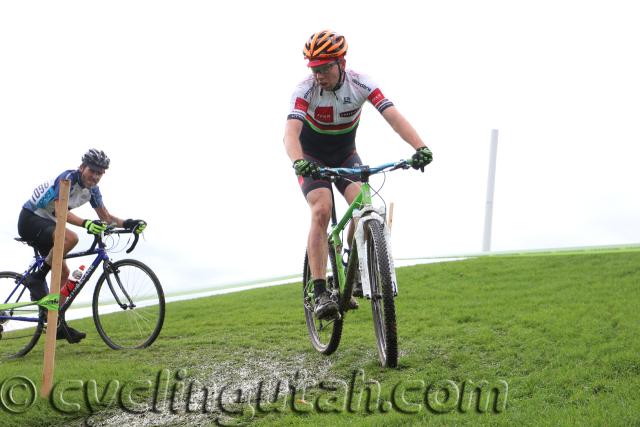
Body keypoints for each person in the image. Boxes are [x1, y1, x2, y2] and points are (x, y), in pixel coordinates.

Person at [284, 30, 433, 320]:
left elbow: (393, 116)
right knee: (322, 208)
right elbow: (290, 133)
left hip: (345, 156)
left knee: (366, 208)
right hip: (311, 159)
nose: (318, 75)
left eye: (325, 67)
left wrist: (420, 147)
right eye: (314, 69)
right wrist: (298, 161)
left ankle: (353, 268)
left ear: (342, 63)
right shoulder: (304, 91)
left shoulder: (361, 84)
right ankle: (319, 291)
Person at [17, 149, 147, 343]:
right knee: (71, 238)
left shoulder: (93, 190)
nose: (94, 176)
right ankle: (37, 278)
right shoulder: (67, 179)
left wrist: (128, 223)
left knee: (63, 275)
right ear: (82, 167)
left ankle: (54, 321)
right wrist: (86, 223)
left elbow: (106, 218)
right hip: (31, 218)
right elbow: (61, 211)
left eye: (99, 173)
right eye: (92, 170)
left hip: (50, 224)